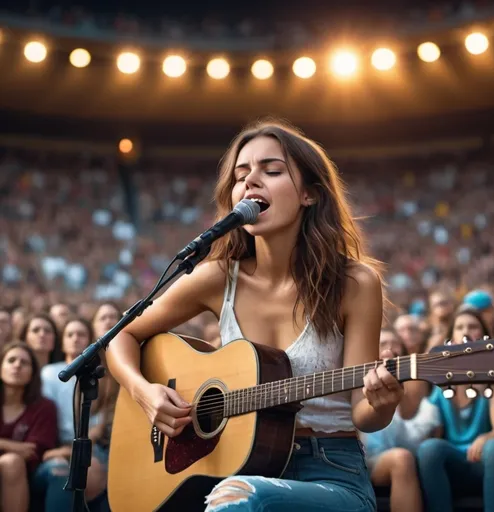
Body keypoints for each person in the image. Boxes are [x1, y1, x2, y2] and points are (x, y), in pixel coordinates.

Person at [106, 120, 404, 512]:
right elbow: (119, 337)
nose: (250, 182)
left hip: (330, 472)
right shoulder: (216, 278)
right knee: (237, 493)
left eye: (272, 171)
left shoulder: (355, 282)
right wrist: (144, 393)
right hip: (234, 466)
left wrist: (382, 401)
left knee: (240, 497)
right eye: (240, 175)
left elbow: (363, 414)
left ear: (309, 194)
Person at [417, 307, 494, 512]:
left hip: (486, 462)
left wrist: (485, 438)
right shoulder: (441, 381)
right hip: (454, 462)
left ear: (484, 335)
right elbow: (433, 430)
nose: (466, 331)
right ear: (451, 337)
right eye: (459, 327)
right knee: (429, 449)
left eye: (473, 326)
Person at [360, 329, 441, 512]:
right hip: (349, 455)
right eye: (381, 343)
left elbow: (409, 442)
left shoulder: (413, 387)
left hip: (377, 460)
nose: (388, 349)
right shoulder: (352, 379)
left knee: (402, 458)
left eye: (394, 343)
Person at [32, 317, 108, 511]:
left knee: (98, 471)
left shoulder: (100, 376)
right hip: (56, 445)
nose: (75, 339)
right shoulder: (49, 373)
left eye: (81, 334)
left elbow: (100, 424)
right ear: (62, 341)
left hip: (91, 446)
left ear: (91, 340)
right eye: (70, 334)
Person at [0, 341, 58, 512]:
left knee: (12, 462)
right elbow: (21, 448)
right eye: (11, 360)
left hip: (27, 474)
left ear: (33, 373)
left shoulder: (44, 407)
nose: (17, 365)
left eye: (24, 362)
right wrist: (8, 445)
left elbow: (31, 451)